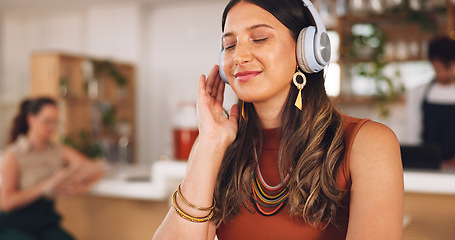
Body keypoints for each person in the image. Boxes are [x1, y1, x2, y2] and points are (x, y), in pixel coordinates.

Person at [153, 0, 403, 239]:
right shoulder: (219, 148)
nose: (239, 56)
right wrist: (209, 142)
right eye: (229, 45)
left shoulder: (369, 143)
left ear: (306, 49)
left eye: (259, 38)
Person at [0, 97, 104, 240]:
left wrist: (81, 188)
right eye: (47, 121)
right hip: (15, 223)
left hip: (45, 221)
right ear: (31, 119)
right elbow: (7, 203)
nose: (52, 127)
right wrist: (47, 185)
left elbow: (94, 169)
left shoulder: (58, 151)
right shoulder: (14, 154)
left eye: (56, 122)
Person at [405, 36, 455, 168]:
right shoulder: (418, 92)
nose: (442, 74)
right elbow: (413, 130)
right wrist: (416, 159)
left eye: (447, 68)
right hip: (426, 164)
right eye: (438, 69)